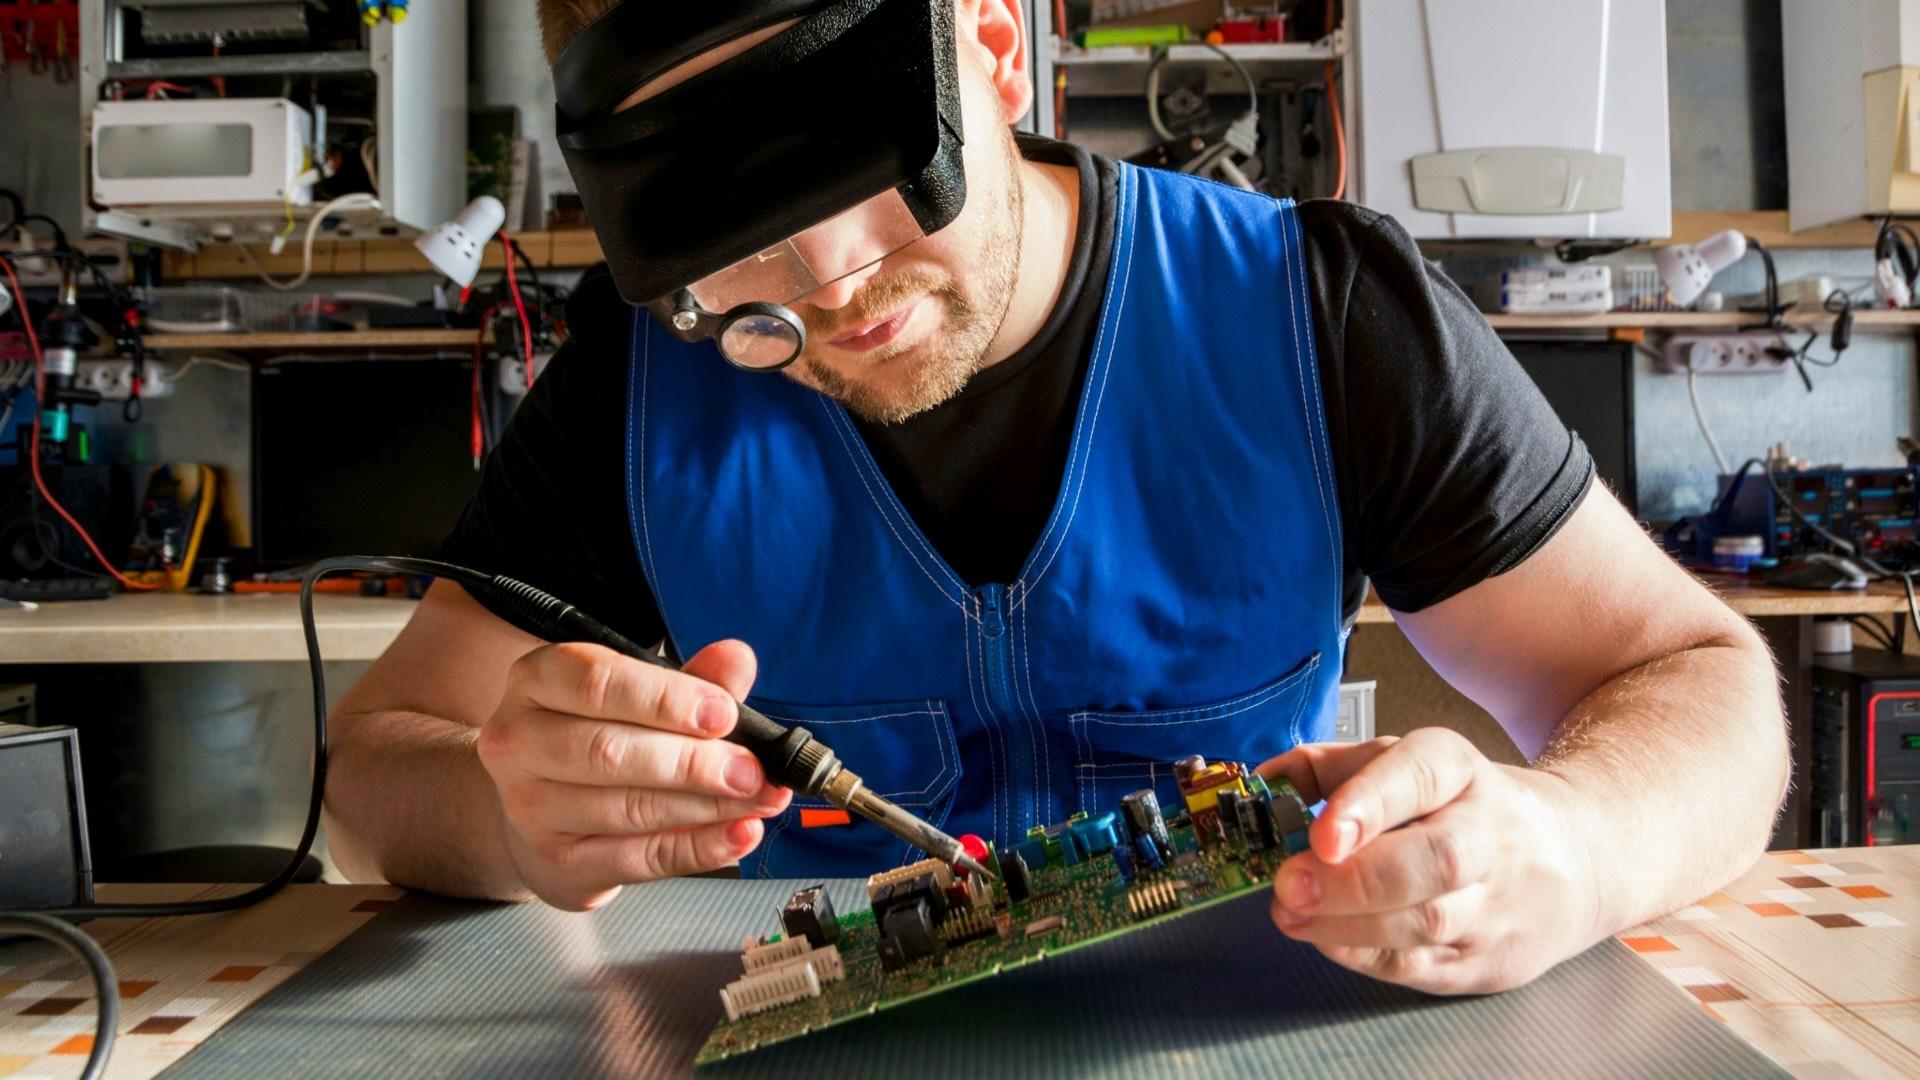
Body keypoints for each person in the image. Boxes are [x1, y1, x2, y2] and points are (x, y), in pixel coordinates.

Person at [323, 0, 1787, 995]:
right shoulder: (639, 388)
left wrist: (1579, 845)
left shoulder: (1318, 316)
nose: (833, 297)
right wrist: (507, 813)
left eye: (872, 188)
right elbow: (379, 767)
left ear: (996, 53)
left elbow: (1699, 683)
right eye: (741, 255)